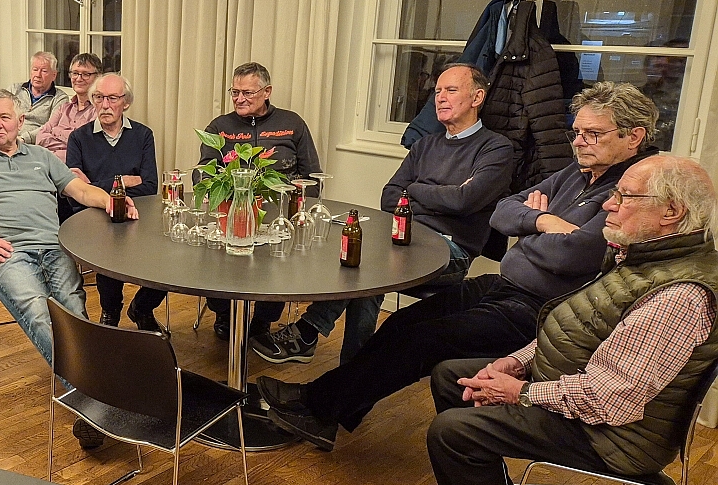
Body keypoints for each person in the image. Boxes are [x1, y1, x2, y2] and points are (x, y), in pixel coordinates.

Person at [260, 81, 661, 452]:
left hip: (539, 310)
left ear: (634, 136)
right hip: (503, 285)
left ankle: (317, 405)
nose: (579, 142)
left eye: (593, 134)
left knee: (422, 341)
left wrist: (531, 230)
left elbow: (574, 254)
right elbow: (503, 213)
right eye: (577, 132)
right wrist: (544, 222)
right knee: (401, 323)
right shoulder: (577, 171)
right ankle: (325, 409)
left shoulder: (632, 191)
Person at [427, 155, 717, 485]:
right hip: (588, 395)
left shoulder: (680, 294)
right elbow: (576, 327)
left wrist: (520, 393)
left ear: (671, 212)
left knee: (454, 432)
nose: (608, 205)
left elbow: (613, 400)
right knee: (452, 377)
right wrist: (517, 362)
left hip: (616, 435)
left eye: (624, 196)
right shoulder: (642, 259)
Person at [263, 64, 513, 366]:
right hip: (399, 239)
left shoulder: (496, 149)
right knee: (359, 260)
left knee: (368, 266)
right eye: (437, 91)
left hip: (450, 249)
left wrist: (415, 190)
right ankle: (352, 371)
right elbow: (390, 196)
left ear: (477, 98)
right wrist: (439, 194)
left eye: (451, 90)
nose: (440, 98)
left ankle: (309, 334)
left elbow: (464, 201)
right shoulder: (425, 145)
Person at [0, 88, 136, 387]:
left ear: (20, 121)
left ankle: (94, 380)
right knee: (39, 310)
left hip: (54, 246)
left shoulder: (42, 157)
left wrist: (112, 201)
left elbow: (80, 191)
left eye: (5, 117)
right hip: (5, 253)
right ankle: (88, 389)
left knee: (73, 308)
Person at [199, 62, 321, 353]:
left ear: (267, 92)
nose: (239, 99)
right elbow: (204, 171)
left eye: (247, 93)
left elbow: (313, 176)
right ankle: (225, 314)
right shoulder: (220, 127)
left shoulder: (292, 123)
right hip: (232, 214)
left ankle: (262, 322)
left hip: (280, 215)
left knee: (283, 259)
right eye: (235, 92)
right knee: (210, 256)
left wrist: (301, 208)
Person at [66, 73, 166, 331]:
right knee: (107, 247)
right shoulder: (78, 138)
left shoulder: (143, 135)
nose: (105, 105)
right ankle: (110, 312)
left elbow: (150, 186)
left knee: (168, 256)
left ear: (126, 102)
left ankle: (141, 308)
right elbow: (76, 189)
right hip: (96, 216)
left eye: (112, 98)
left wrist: (97, 183)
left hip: (139, 215)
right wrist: (124, 180)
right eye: (99, 98)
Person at [36, 52, 99, 163]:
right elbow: (40, 136)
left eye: (86, 74)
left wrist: (56, 133)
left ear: (98, 77)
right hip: (46, 163)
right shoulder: (63, 108)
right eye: (75, 73)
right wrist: (70, 143)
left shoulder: (99, 112)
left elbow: (86, 150)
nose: (79, 78)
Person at [12, 51, 71, 145]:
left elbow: (52, 127)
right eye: (35, 69)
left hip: (35, 144)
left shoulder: (60, 98)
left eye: (44, 71)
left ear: (54, 75)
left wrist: (24, 138)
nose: (38, 75)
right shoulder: (14, 89)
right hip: (8, 138)